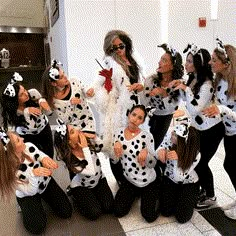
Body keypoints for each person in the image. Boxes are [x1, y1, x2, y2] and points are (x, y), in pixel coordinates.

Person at [169, 44, 225, 209]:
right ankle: (203, 189)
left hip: (212, 130)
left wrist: (185, 88)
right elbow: (187, 101)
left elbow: (194, 107)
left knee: (202, 162)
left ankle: (211, 196)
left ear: (198, 64)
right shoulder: (194, 78)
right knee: (197, 160)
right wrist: (179, 85)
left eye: (190, 61)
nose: (186, 64)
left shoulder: (207, 84)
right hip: (200, 128)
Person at [93, 30, 146, 185]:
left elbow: (142, 77)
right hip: (119, 109)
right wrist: (92, 90)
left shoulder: (133, 58)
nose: (118, 50)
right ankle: (120, 179)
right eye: (114, 48)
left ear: (126, 44)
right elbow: (99, 81)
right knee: (116, 142)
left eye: (120, 46)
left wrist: (141, 85)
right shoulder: (109, 63)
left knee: (133, 140)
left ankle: (132, 174)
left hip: (136, 106)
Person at [0, 128, 72, 235]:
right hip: (28, 193)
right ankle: (25, 205)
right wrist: (33, 174)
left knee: (66, 212)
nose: (22, 138)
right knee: (36, 227)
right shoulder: (10, 172)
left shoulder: (28, 146)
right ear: (12, 150)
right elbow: (30, 191)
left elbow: (39, 154)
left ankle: (40, 200)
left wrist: (45, 159)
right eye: (18, 140)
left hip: (44, 182)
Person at [54, 119, 114, 221]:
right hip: (82, 185)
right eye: (73, 132)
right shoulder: (70, 159)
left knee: (109, 207)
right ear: (68, 141)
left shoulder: (86, 142)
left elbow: (105, 148)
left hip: (98, 180)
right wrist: (85, 148)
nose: (78, 130)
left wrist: (95, 137)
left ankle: (92, 196)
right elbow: (91, 171)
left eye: (74, 128)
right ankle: (75, 195)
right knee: (95, 213)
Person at [202, 39, 236, 219]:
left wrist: (222, 109)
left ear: (226, 63)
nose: (210, 62)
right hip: (229, 132)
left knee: (231, 165)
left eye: (214, 59)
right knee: (229, 165)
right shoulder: (220, 80)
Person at [112, 105, 161, 223]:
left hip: (148, 181)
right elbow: (114, 161)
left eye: (139, 118)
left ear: (143, 121)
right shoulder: (118, 133)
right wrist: (114, 149)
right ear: (129, 114)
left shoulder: (147, 136)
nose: (135, 119)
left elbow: (153, 163)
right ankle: (135, 194)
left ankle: (159, 194)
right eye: (133, 115)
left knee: (149, 217)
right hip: (129, 179)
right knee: (118, 212)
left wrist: (147, 154)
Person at [0, 72, 54, 158]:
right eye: (21, 95)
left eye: (24, 89)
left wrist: (42, 102)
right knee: (34, 158)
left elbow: (49, 113)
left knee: (49, 156)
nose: (26, 93)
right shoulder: (15, 112)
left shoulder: (32, 93)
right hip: (28, 135)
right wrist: (26, 112)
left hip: (44, 128)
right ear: (15, 100)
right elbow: (32, 127)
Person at [157, 117, 200, 223]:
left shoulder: (195, 155)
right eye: (173, 132)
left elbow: (179, 177)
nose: (172, 135)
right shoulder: (170, 140)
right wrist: (160, 151)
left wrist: (177, 159)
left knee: (182, 218)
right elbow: (159, 148)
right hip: (170, 179)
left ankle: (190, 197)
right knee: (166, 212)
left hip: (188, 182)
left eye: (175, 135)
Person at [142, 43, 184, 150]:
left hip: (164, 118)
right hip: (147, 117)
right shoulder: (151, 80)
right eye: (161, 59)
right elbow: (143, 101)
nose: (159, 62)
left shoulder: (177, 84)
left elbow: (171, 107)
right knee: (143, 146)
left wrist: (163, 92)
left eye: (164, 60)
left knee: (153, 147)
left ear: (172, 66)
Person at [41, 59, 96, 134]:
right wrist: (70, 104)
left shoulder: (74, 81)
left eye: (64, 73)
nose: (66, 77)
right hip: (73, 129)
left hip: (88, 123)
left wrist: (90, 93)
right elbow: (64, 120)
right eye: (61, 77)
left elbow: (87, 93)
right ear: (54, 83)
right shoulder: (54, 101)